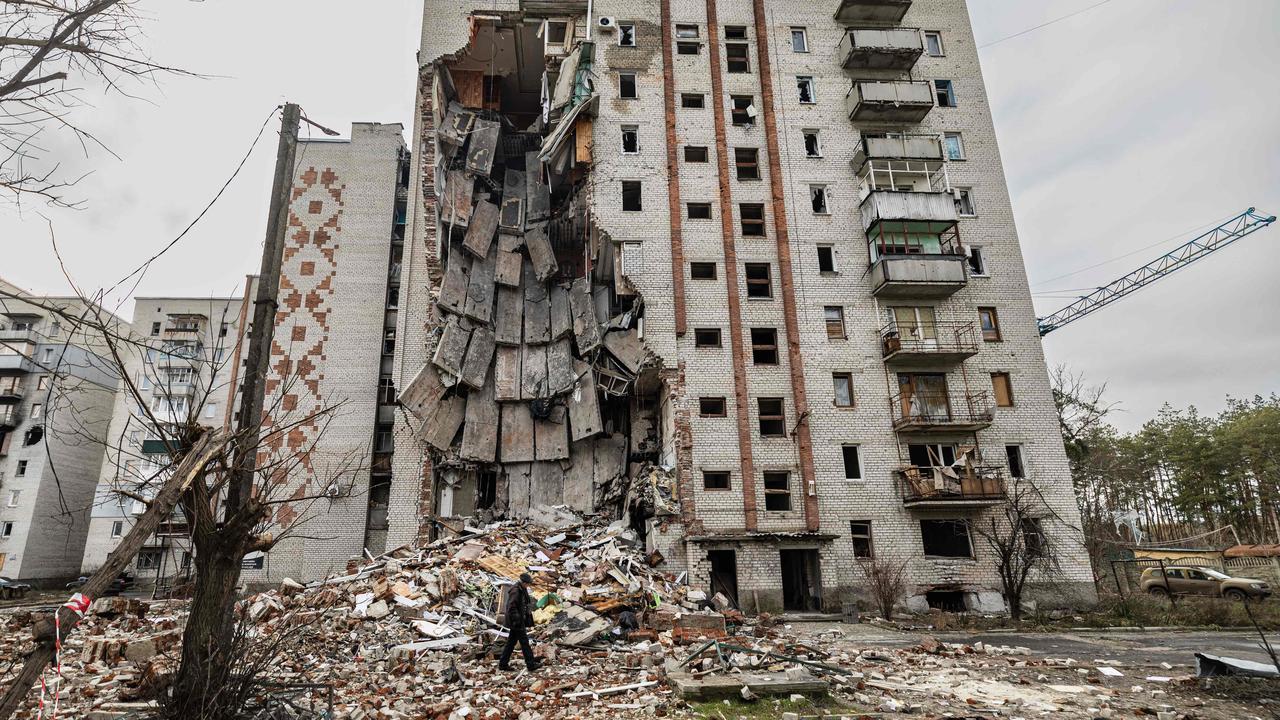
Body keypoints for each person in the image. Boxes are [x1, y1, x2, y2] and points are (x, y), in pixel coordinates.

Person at [498, 572, 540, 671]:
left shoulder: (522, 589)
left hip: (518, 621)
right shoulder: (516, 591)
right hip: (516, 622)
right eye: (528, 583)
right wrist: (517, 620)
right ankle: (531, 664)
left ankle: (503, 664)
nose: (528, 585)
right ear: (523, 582)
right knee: (524, 642)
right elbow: (511, 607)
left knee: (511, 643)